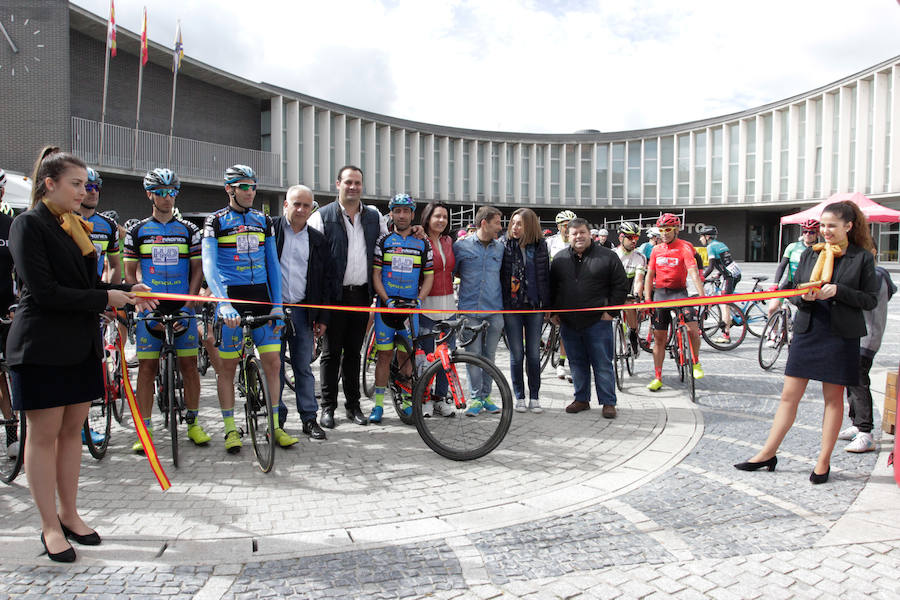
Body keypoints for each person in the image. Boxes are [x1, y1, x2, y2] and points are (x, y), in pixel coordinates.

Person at [8, 147, 155, 562]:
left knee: (73, 431)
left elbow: (85, 288)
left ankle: (69, 513)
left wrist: (124, 294)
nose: (84, 191)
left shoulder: (76, 226)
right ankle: (49, 526)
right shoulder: (28, 225)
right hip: (41, 344)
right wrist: (105, 296)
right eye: (76, 184)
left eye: (87, 184)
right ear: (49, 184)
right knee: (43, 436)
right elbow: (45, 291)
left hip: (78, 342)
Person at [735, 201, 879, 484]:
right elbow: (791, 289)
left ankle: (823, 461)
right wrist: (804, 297)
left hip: (840, 335)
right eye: (823, 225)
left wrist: (838, 291)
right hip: (809, 329)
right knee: (789, 396)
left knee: (833, 399)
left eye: (832, 226)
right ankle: (767, 452)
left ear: (848, 226)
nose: (825, 231)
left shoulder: (862, 258)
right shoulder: (809, 254)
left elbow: (871, 299)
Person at [202, 164, 298, 452]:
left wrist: (278, 306)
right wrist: (224, 304)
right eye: (244, 186)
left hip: (262, 300)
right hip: (232, 300)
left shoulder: (263, 220)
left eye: (253, 185)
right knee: (227, 370)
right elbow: (209, 266)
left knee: (273, 363)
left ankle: (274, 426)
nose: (250, 191)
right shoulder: (216, 221)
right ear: (229, 189)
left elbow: (273, 265)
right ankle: (231, 428)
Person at [124, 168, 211, 452]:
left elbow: (197, 270)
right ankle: (144, 429)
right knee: (147, 368)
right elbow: (130, 273)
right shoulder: (137, 231)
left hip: (181, 303)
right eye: (160, 192)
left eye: (171, 191)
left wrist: (189, 303)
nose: (166, 197)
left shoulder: (189, 230)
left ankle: (194, 423)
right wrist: (142, 295)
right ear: (150, 194)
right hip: (150, 305)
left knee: (189, 366)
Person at [308, 165, 388, 428]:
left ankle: (353, 406)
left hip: (361, 296)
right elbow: (311, 260)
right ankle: (327, 408)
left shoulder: (374, 217)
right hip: (333, 296)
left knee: (354, 353)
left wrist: (416, 233)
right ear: (338, 184)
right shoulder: (321, 216)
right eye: (348, 182)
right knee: (331, 354)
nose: (353, 187)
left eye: (357, 183)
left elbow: (390, 244)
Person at [550, 218, 628, 417]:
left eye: (582, 232)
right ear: (568, 236)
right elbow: (552, 288)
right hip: (569, 322)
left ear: (589, 234)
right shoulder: (559, 259)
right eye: (574, 233)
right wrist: (553, 312)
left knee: (602, 363)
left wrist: (610, 312)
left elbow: (620, 285)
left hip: (598, 322)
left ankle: (608, 402)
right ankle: (581, 399)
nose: (578, 237)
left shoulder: (608, 256)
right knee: (576, 363)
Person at [274, 185, 333, 442]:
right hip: (273, 311)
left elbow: (325, 282)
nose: (300, 209)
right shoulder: (271, 231)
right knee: (272, 367)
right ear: (286, 205)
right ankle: (276, 419)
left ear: (312, 208)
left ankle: (309, 418)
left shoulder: (318, 239)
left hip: (302, 312)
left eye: (306, 205)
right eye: (296, 204)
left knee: (303, 368)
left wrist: (321, 317)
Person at [369, 194, 433, 423]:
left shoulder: (423, 243)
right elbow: (376, 275)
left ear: (413, 214)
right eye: (398, 211)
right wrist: (386, 300)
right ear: (392, 213)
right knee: (384, 355)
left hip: (410, 310)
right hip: (387, 308)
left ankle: (405, 400)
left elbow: (428, 276)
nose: (402, 215)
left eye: (406, 211)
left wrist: (419, 299)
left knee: (407, 357)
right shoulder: (384, 241)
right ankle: (378, 406)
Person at [838, 248, 895, 453]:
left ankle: (865, 432)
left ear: (872, 252)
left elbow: (863, 301)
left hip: (866, 337)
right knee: (851, 381)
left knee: (859, 382)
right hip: (858, 335)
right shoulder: (875, 275)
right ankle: (856, 423)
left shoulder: (876, 276)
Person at [643, 213, 706, 392]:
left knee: (693, 330)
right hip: (661, 294)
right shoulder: (656, 250)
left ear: (676, 229)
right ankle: (658, 377)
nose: (664, 233)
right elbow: (649, 276)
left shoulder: (685, 247)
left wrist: (702, 296)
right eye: (661, 230)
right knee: (659, 339)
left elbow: (693, 272)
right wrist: (648, 299)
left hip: (680, 293)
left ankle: (695, 362)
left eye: (668, 230)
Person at [454, 205, 505, 416]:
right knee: (473, 355)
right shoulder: (461, 246)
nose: (500, 228)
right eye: (497, 223)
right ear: (484, 223)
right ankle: (475, 398)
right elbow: (452, 272)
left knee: (489, 356)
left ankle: (487, 396)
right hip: (469, 312)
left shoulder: (500, 248)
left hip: (495, 312)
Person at [500, 208, 551, 413]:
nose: (514, 227)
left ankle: (535, 396)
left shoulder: (540, 246)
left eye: (519, 223)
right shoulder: (504, 245)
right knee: (516, 354)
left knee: (532, 353)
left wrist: (547, 305)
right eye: (513, 223)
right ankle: (519, 396)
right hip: (512, 307)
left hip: (534, 306)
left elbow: (545, 277)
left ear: (529, 226)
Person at [419, 201, 457, 418]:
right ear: (427, 218)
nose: (441, 220)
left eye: (444, 217)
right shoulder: (420, 240)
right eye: (437, 216)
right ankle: (424, 398)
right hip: (426, 307)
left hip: (449, 307)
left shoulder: (449, 240)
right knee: (426, 358)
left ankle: (440, 398)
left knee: (447, 356)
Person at [767, 219, 820, 319]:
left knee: (803, 314)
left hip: (806, 286)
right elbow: (782, 265)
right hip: (789, 283)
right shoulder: (792, 247)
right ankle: (774, 333)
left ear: (817, 234)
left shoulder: (819, 249)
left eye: (811, 232)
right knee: (772, 309)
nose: (808, 234)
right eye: (805, 231)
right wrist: (775, 283)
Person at [697, 225, 741, 344]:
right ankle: (735, 315)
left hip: (729, 276)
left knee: (723, 304)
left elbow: (710, 267)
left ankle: (726, 335)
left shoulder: (711, 247)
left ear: (707, 237)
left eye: (701, 236)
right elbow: (724, 262)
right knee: (725, 298)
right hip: (734, 273)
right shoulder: (721, 244)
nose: (700, 239)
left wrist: (701, 278)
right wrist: (719, 274)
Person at [77, 168, 121, 284]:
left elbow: (115, 265)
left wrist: (114, 294)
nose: (93, 192)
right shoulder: (63, 221)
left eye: (97, 187)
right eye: (88, 187)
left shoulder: (110, 225)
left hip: (96, 293)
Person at [0, 168, 17, 458]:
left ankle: (12, 433)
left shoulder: (11, 226)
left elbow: (23, 270)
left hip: (6, 309)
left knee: (7, 375)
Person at [547, 209, 576, 380]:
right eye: (565, 226)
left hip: (570, 292)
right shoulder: (550, 242)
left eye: (570, 225)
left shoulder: (577, 241)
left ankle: (563, 362)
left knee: (567, 328)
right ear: (558, 227)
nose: (568, 228)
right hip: (553, 289)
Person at [613, 221, 646, 353]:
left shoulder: (640, 257)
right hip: (614, 288)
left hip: (629, 288)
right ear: (621, 237)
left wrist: (637, 295)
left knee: (630, 305)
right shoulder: (612, 254)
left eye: (636, 238)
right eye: (630, 237)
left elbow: (638, 280)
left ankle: (633, 332)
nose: (634, 241)